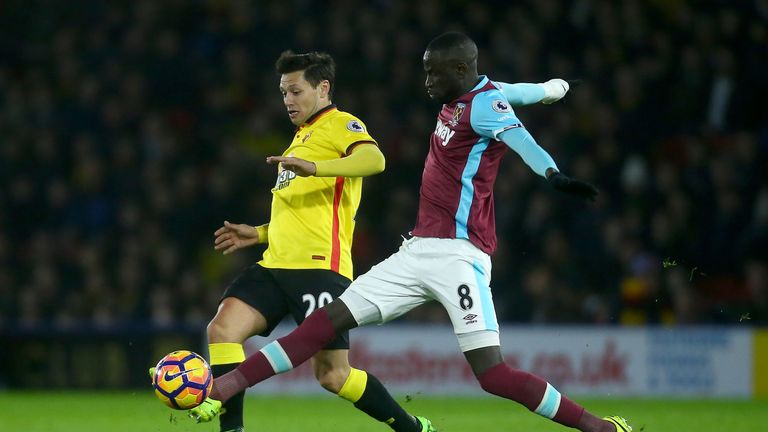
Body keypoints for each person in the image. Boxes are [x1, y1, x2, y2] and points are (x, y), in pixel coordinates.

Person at [191, 32, 633, 432]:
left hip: (460, 255)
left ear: (460, 70)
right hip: (416, 250)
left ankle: (600, 428)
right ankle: (227, 385)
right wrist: (555, 89)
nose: (425, 82)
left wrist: (552, 174)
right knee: (324, 325)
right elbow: (522, 92)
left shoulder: (484, 107)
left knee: (493, 375)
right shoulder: (469, 97)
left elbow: (519, 136)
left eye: (433, 73)